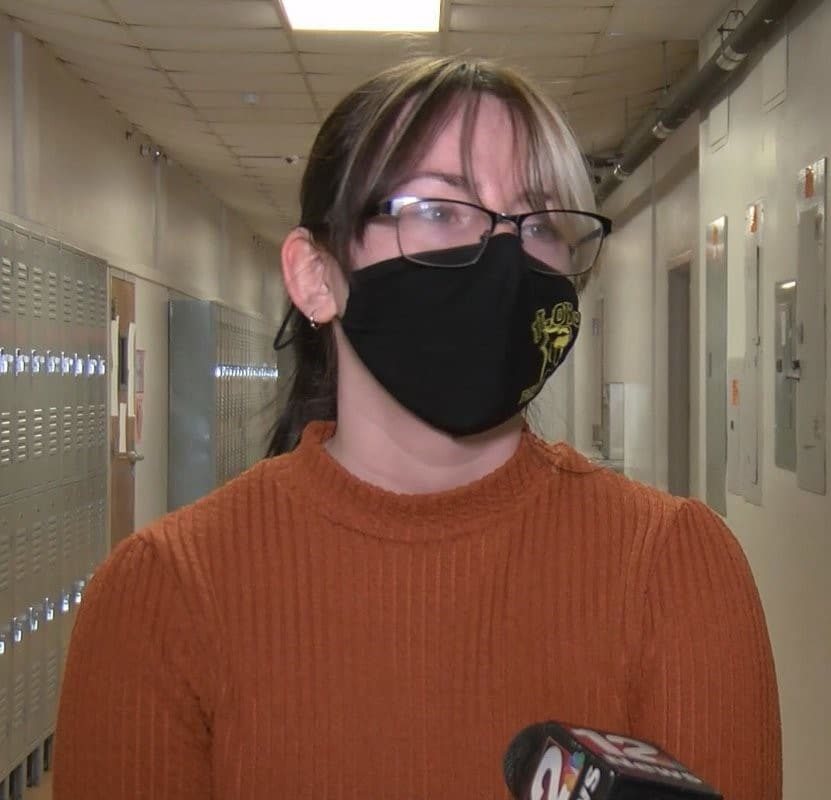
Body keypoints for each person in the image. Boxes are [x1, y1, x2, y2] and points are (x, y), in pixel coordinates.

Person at [53, 56, 782, 798]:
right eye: (438, 210)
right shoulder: (163, 596)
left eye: (540, 225)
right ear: (315, 276)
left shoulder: (675, 570)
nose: (502, 255)